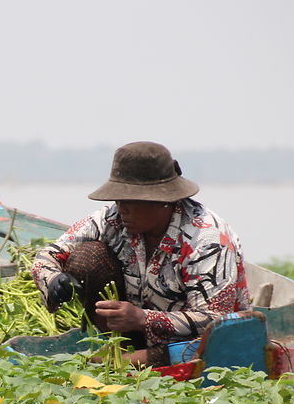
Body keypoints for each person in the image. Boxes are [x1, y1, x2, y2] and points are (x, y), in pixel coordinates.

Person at [31, 141, 250, 367]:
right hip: (130, 332)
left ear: (163, 201)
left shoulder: (206, 238)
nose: (121, 208)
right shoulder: (112, 218)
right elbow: (47, 256)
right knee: (87, 256)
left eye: (131, 201)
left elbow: (215, 320)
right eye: (118, 199)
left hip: (189, 341)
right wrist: (53, 279)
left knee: (207, 344)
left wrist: (141, 318)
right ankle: (121, 350)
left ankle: (124, 361)